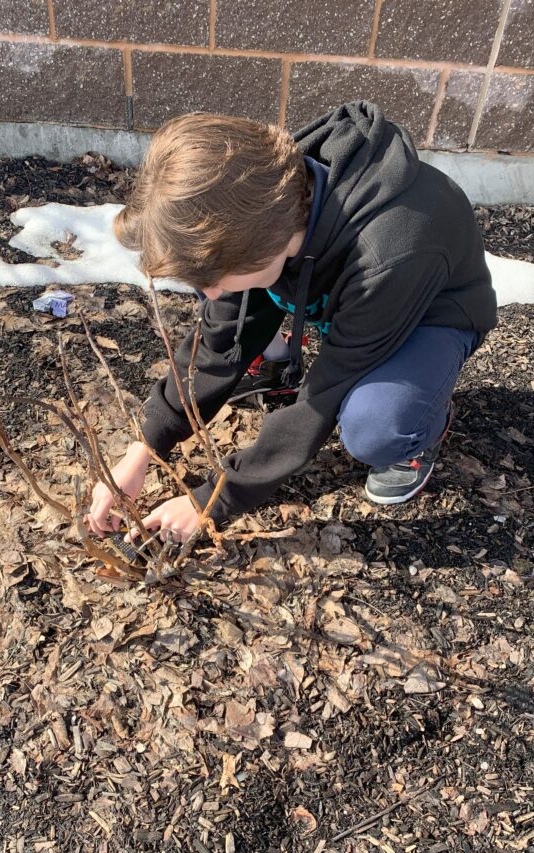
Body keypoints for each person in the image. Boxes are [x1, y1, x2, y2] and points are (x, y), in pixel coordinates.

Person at [86, 102, 497, 543]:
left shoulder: (387, 255)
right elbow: (218, 342)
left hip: (431, 316)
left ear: (262, 247)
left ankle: (423, 426)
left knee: (374, 426)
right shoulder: (261, 204)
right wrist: (145, 447)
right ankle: (283, 354)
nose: (207, 292)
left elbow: (321, 397)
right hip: (348, 302)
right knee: (238, 307)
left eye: (213, 278)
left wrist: (213, 500)